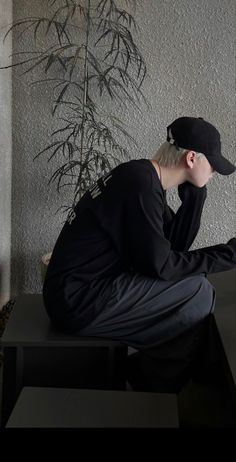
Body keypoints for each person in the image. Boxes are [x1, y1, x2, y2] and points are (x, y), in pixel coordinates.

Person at [43, 116, 236, 393]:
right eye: (213, 164)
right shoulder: (139, 186)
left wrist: (196, 197)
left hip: (81, 289)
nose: (215, 172)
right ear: (191, 159)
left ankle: (156, 373)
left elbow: (172, 250)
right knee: (199, 291)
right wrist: (231, 254)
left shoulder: (142, 177)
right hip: (77, 299)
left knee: (195, 288)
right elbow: (164, 267)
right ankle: (155, 381)